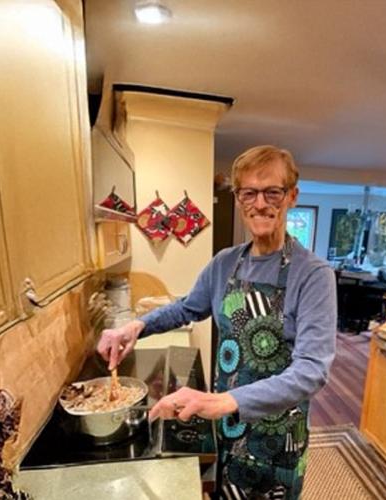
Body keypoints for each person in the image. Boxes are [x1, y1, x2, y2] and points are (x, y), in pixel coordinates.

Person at [97, 145, 336, 500]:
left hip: (278, 439)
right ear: (238, 199)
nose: (260, 203)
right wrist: (136, 326)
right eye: (248, 193)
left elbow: (312, 371)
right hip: (227, 427)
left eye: (272, 191)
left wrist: (225, 400)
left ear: (292, 197)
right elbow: (187, 308)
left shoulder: (314, 276)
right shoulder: (225, 263)